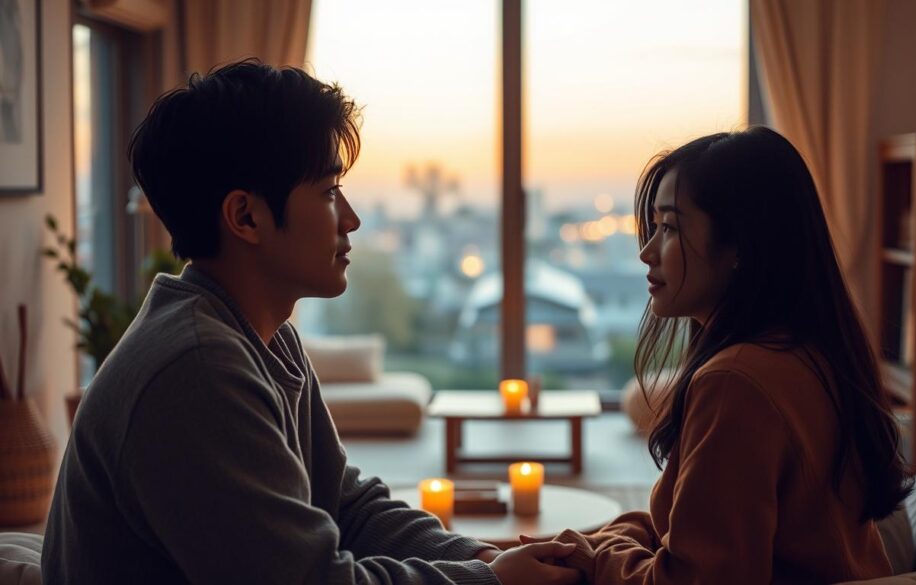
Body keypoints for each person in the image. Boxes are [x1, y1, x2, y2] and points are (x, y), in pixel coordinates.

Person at [42, 59, 580, 585]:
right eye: (327, 192)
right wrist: (487, 580)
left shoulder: (262, 335)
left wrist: (481, 556)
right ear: (246, 216)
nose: (351, 219)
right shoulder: (197, 367)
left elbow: (344, 504)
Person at [523, 127, 913, 584]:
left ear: (739, 246)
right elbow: (690, 523)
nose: (647, 252)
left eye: (669, 227)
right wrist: (606, 540)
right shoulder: (812, 354)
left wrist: (597, 557)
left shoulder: (736, 382)